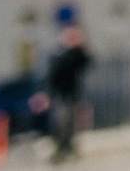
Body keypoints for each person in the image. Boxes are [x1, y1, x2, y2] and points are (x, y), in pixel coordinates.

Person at [40, 21, 90, 163]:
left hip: (71, 94)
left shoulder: (76, 53)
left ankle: (66, 149)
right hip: (60, 95)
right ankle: (61, 150)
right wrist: (48, 94)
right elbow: (52, 76)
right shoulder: (60, 53)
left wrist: (81, 45)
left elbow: (86, 62)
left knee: (69, 123)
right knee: (62, 122)